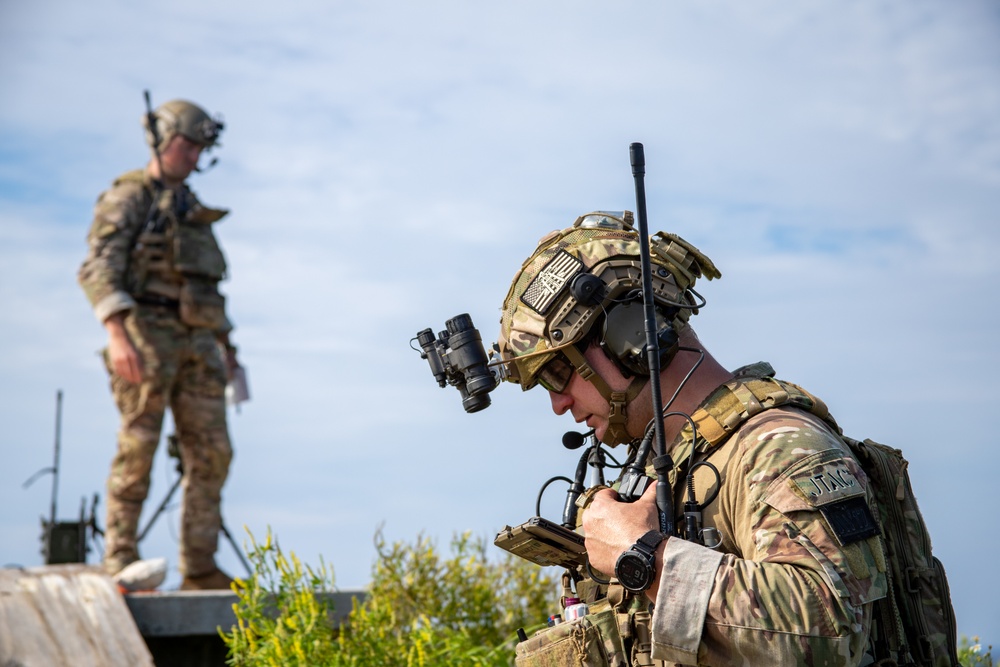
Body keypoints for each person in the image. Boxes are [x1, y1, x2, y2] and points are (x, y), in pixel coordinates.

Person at [495, 211, 888, 666]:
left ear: (631, 338)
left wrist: (644, 557)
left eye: (560, 373)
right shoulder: (667, 471)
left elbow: (831, 629)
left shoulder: (779, 446)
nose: (558, 404)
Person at [78, 98, 239, 590]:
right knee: (138, 448)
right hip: (143, 337)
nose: (192, 155)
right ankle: (120, 559)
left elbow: (208, 288)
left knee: (212, 453)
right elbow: (96, 269)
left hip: (198, 345)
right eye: (186, 144)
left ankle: (200, 567)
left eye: (199, 147)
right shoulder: (129, 198)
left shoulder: (191, 209)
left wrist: (228, 351)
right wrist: (118, 333)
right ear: (162, 140)